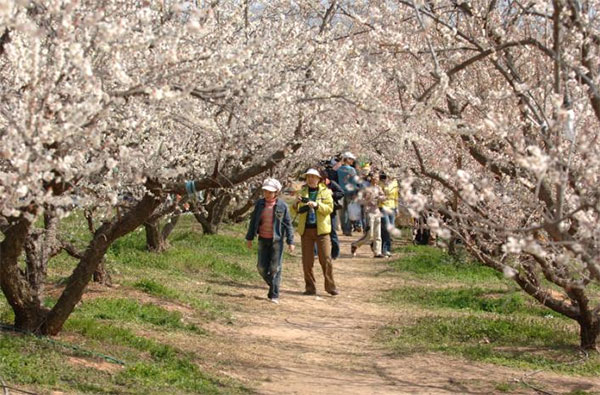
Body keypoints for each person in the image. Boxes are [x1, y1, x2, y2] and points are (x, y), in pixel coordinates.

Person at [245, 178, 295, 304]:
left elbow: (288, 224)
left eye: (270, 192)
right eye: (265, 191)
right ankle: (273, 285)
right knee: (261, 267)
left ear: (276, 192)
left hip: (277, 240)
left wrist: (290, 241)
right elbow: (253, 222)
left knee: (275, 267)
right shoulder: (260, 204)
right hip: (263, 238)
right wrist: (249, 238)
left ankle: (274, 294)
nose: (267, 194)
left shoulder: (282, 206)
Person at [291, 168, 338, 296]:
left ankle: (330, 286)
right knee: (307, 261)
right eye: (308, 177)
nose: (311, 179)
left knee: (326, 259)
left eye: (313, 177)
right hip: (306, 230)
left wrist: (317, 205)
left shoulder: (326, 192)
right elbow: (294, 211)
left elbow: (330, 208)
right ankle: (310, 287)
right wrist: (296, 203)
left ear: (318, 179)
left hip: (322, 230)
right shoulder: (302, 191)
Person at [350, 172, 386, 258]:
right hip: (369, 211)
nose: (375, 179)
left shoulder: (379, 188)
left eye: (377, 177)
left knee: (378, 233)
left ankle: (377, 252)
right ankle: (355, 244)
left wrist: (380, 198)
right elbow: (361, 199)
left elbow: (384, 197)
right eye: (374, 177)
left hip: (377, 211)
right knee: (369, 234)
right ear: (371, 178)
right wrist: (368, 199)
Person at [336, 152, 358, 236]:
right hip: (350, 192)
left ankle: (344, 229)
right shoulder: (352, 170)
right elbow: (355, 182)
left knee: (342, 212)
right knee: (349, 211)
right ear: (347, 159)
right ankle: (348, 229)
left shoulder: (339, 169)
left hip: (340, 192)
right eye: (351, 159)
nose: (352, 161)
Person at [379, 171, 399, 257]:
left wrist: (397, 208)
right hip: (383, 206)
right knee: (386, 228)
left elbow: (396, 195)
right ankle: (385, 249)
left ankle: (386, 248)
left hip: (393, 207)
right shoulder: (381, 182)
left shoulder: (395, 182)